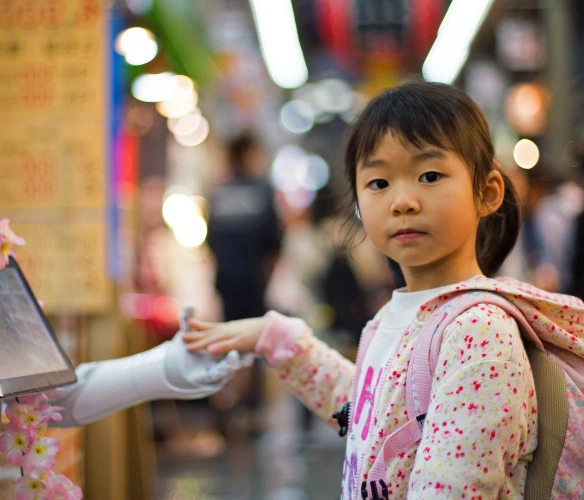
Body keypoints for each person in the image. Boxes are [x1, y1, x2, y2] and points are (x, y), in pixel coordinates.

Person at [184, 82, 538, 498]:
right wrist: (275, 338)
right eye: (379, 182)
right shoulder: (399, 314)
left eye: (429, 175)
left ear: (487, 192)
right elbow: (373, 418)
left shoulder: (479, 332)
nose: (402, 201)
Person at [205, 132, 283, 435]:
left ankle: (226, 405)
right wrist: (266, 277)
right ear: (248, 154)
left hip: (226, 283)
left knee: (227, 343)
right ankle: (250, 411)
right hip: (253, 283)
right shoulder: (262, 191)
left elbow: (210, 242)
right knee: (254, 344)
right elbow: (274, 243)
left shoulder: (218, 194)